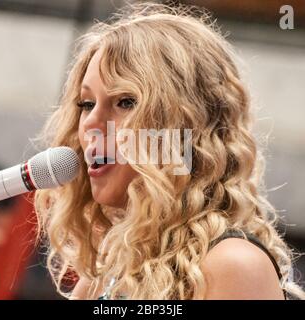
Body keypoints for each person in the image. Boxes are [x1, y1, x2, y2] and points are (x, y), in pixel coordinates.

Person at [34, 2, 305, 299]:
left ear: (186, 126)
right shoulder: (107, 273)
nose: (92, 125)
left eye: (125, 102)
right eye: (87, 104)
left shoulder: (233, 264)